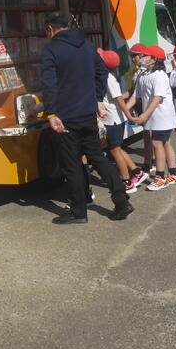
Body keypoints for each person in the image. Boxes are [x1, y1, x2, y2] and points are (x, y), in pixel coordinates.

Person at [40, 14, 132, 223]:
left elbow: (49, 84)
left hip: (65, 116)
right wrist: (98, 98)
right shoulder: (88, 46)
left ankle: (78, 211)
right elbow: (101, 73)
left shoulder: (51, 50)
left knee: (71, 163)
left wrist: (51, 113)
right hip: (88, 113)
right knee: (98, 157)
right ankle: (121, 201)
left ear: (50, 29)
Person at [125, 45, 176, 191]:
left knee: (157, 143)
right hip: (153, 116)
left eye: (145, 56)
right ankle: (174, 174)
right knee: (165, 144)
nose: (142, 58)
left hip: (162, 116)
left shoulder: (160, 75)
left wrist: (144, 115)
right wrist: (125, 110)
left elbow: (157, 98)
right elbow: (136, 96)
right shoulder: (144, 75)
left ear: (154, 59)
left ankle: (160, 177)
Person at [96, 48, 149, 194]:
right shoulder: (106, 76)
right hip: (113, 119)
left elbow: (119, 99)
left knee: (115, 150)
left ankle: (127, 181)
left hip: (113, 119)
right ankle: (137, 172)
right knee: (116, 148)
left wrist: (130, 116)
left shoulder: (107, 78)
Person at [126, 42, 154, 175]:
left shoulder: (148, 71)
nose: (133, 59)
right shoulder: (136, 71)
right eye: (131, 56)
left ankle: (152, 164)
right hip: (141, 106)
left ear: (143, 56)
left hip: (148, 107)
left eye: (135, 56)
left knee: (152, 137)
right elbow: (133, 92)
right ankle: (149, 162)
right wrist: (121, 100)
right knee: (147, 136)